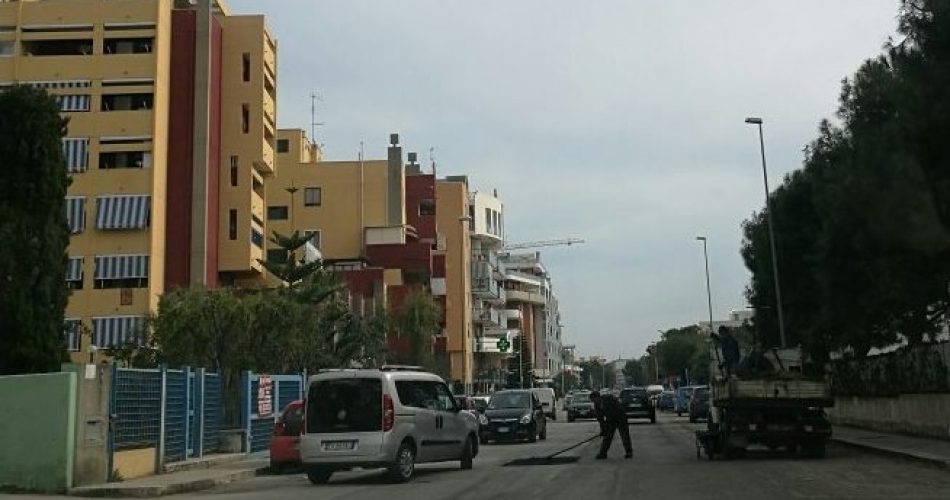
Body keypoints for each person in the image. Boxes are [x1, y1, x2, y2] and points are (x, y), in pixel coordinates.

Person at [590, 390, 632, 459]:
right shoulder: (597, 405)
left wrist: (609, 423)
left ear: (598, 397)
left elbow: (616, 409)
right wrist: (603, 429)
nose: (594, 402)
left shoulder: (609, 398)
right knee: (607, 437)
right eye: (592, 401)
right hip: (610, 420)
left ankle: (629, 452)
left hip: (620, 417)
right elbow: (600, 418)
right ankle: (603, 453)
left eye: (594, 400)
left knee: (624, 435)